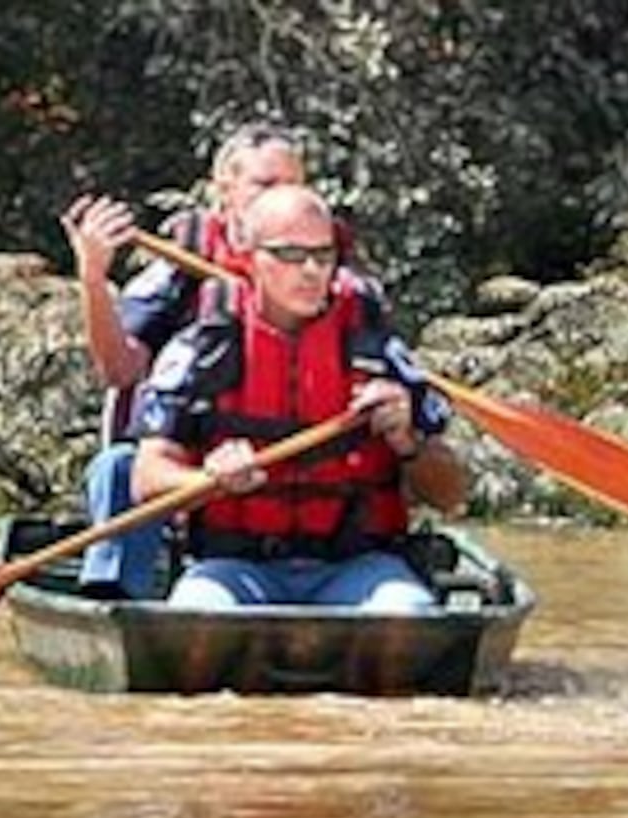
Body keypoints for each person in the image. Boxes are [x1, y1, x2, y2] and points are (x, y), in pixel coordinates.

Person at [131, 183, 465, 610]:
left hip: (357, 566)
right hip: (234, 566)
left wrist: (407, 440)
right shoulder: (199, 350)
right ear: (249, 257)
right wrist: (207, 482)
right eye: (290, 255)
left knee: (408, 614)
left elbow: (451, 495)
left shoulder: (382, 355)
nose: (311, 270)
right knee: (198, 617)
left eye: (323, 255)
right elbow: (147, 477)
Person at [57, 122, 349, 598]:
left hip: (287, 459)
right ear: (224, 190)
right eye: (265, 184)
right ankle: (118, 602)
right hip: (185, 453)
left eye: (293, 185)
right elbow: (119, 371)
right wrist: (93, 277)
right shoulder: (180, 265)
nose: (281, 197)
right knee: (119, 467)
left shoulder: (323, 270)